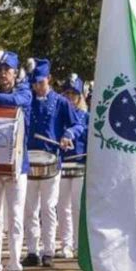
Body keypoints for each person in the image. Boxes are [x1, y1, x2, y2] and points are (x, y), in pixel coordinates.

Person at [22, 58, 82, 268]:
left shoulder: (60, 102)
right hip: (29, 161)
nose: (38, 87)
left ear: (49, 79)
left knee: (48, 207)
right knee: (30, 208)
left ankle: (48, 251)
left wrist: (67, 135)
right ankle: (32, 250)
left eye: (41, 82)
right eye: (35, 83)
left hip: (51, 160)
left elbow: (77, 124)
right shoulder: (27, 99)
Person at [0, 51, 32, 271]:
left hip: (17, 166)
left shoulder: (24, 92)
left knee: (15, 217)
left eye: (7, 70)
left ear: (15, 73)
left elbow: (17, 102)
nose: (2, 74)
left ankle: (14, 264)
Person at [57, 74, 89, 258]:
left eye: (73, 94)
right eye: (67, 93)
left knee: (77, 206)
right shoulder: (60, 115)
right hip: (62, 163)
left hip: (79, 164)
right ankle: (65, 244)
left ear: (80, 96)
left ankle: (78, 244)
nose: (70, 97)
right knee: (62, 207)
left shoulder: (86, 116)